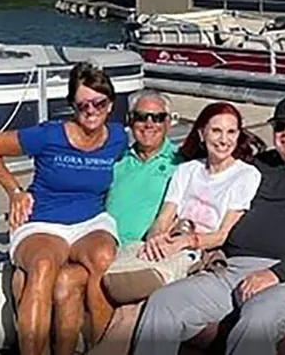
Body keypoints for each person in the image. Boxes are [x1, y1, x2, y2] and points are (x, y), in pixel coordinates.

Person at [130, 95, 285, 355]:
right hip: (233, 268)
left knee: (255, 323)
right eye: (280, 126)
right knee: (164, 302)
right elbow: (212, 179)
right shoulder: (260, 165)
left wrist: (276, 274)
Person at [88, 100, 266, 355]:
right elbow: (165, 216)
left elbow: (222, 234)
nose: (223, 139)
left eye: (231, 132)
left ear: (239, 136)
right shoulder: (187, 170)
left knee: (133, 311)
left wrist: (185, 242)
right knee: (127, 307)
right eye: (216, 131)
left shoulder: (245, 175)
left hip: (199, 255)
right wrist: (157, 238)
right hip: (170, 244)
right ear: (202, 134)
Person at [0, 61, 128, 355]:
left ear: (110, 104)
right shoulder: (49, 135)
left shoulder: (118, 137)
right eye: (83, 105)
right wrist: (15, 191)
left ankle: (102, 349)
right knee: (43, 265)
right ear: (72, 105)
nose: (92, 111)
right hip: (44, 221)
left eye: (99, 103)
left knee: (104, 258)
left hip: (91, 221)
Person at [50, 88, 182, 354]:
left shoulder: (182, 165)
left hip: (139, 254)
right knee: (59, 280)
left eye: (157, 117)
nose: (148, 124)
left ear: (168, 121)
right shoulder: (116, 159)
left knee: (80, 281)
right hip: (102, 247)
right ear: (130, 121)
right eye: (141, 117)